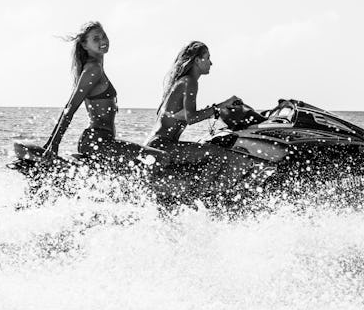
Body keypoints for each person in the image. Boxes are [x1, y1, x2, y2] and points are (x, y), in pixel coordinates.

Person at [42, 21, 166, 169]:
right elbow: (70, 107)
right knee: (159, 157)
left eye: (104, 36)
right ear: (84, 45)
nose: (103, 41)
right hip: (97, 142)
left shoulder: (96, 67)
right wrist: (53, 144)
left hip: (104, 141)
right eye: (96, 39)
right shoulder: (93, 70)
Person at [145, 41, 256, 189]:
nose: (211, 63)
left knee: (210, 150)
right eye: (208, 58)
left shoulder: (182, 81)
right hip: (163, 146)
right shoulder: (189, 81)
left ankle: (199, 192)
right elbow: (192, 118)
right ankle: (199, 197)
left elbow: (189, 115)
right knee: (218, 155)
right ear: (197, 60)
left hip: (157, 144)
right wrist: (221, 105)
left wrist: (218, 109)